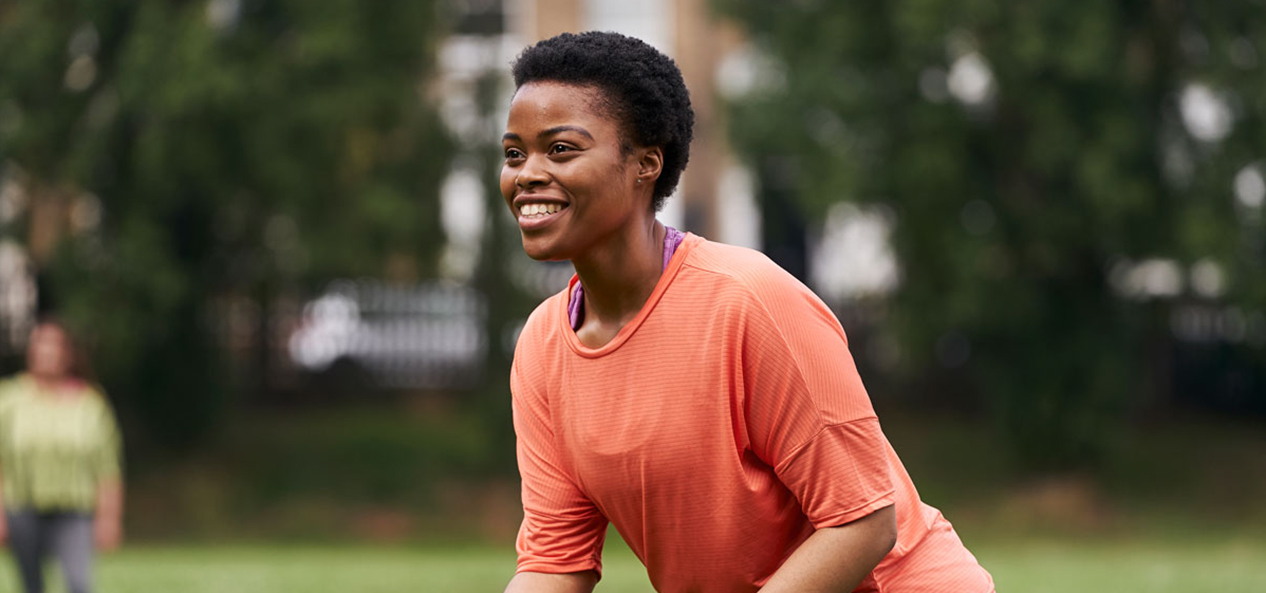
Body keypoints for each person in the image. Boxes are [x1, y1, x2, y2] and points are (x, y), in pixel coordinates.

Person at [500, 31, 994, 593]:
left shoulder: (748, 301)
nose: (526, 174)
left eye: (560, 149)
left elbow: (863, 521)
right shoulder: (543, 347)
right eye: (515, 153)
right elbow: (554, 560)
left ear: (645, 164)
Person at [0, 318, 124, 593]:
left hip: (74, 510)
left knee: (79, 584)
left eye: (54, 345)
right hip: (22, 507)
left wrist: (110, 517)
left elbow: (107, 465)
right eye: (40, 344)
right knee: (32, 587)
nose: (47, 352)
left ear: (68, 353)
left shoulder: (90, 402)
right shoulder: (9, 399)